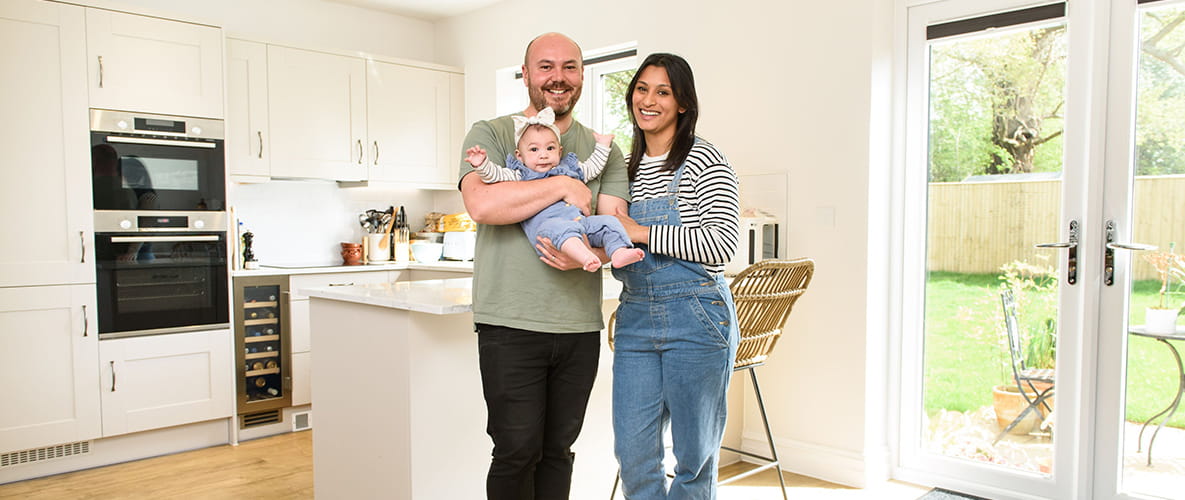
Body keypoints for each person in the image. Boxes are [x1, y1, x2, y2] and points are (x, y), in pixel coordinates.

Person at [457, 32, 629, 499]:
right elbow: (483, 204)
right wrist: (561, 187)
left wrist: (588, 255)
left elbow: (612, 223)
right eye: (546, 66)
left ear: (581, 75)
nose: (558, 77)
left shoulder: (601, 148)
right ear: (526, 74)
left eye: (569, 66)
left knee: (558, 451)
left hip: (577, 325)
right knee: (516, 450)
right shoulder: (491, 134)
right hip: (509, 322)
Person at [606, 52, 742, 499]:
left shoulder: (704, 159)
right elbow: (614, 237)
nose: (648, 100)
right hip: (636, 317)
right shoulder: (623, 167)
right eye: (642, 89)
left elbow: (720, 244)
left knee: (693, 460)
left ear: (682, 103)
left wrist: (640, 231)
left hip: (696, 316)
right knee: (633, 456)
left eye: (662, 92)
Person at [465, 106, 644, 271]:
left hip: (581, 223)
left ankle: (618, 252)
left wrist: (603, 146)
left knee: (608, 223)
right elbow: (494, 175)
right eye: (534, 150)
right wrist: (481, 164)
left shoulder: (570, 168)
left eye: (550, 148)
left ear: (559, 151)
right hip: (549, 227)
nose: (543, 155)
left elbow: (593, 167)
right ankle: (585, 257)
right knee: (564, 231)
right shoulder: (519, 174)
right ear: (520, 156)